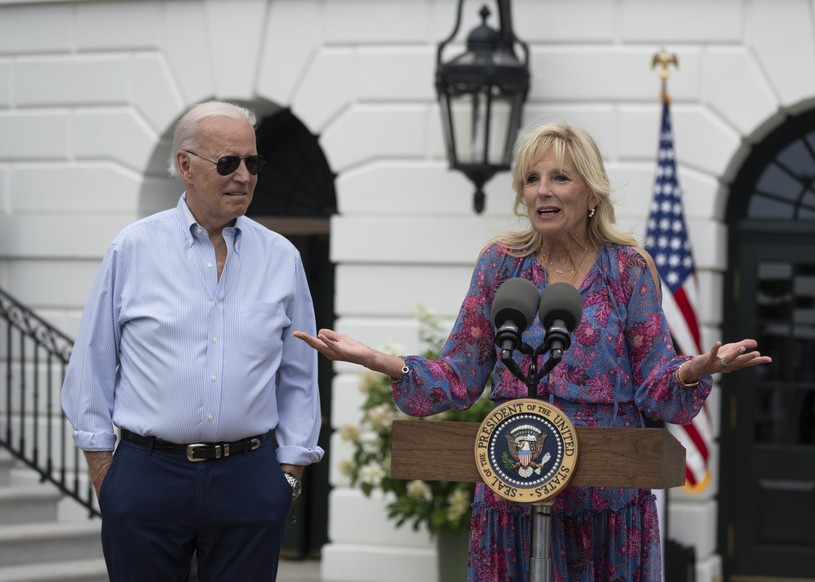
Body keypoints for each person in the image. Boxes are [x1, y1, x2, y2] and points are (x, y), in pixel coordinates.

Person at [294, 121, 771, 581]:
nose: (542, 190)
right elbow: (460, 375)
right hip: (514, 490)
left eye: (559, 177)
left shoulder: (627, 268)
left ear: (591, 191)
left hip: (605, 501)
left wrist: (695, 369)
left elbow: (654, 385)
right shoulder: (501, 263)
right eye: (531, 179)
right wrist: (380, 360)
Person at [61, 100, 324, 582]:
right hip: (147, 475)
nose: (244, 175)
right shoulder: (133, 248)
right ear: (185, 165)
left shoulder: (282, 258)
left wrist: (286, 477)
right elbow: (92, 366)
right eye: (228, 163)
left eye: (253, 162)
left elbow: (299, 376)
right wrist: (108, 477)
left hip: (249, 477)